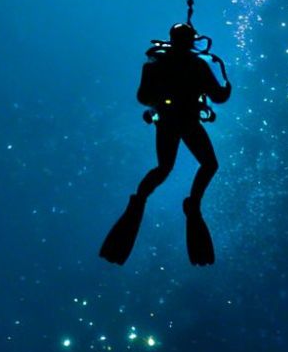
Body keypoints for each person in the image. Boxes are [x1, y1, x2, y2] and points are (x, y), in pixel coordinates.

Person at [99, 23, 231, 267]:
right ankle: (191, 203)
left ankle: (141, 199)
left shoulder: (157, 65)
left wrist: (163, 95)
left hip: (169, 121)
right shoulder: (196, 65)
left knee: (164, 168)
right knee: (207, 164)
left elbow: (142, 97)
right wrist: (226, 86)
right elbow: (218, 96)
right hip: (185, 121)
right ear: (191, 41)